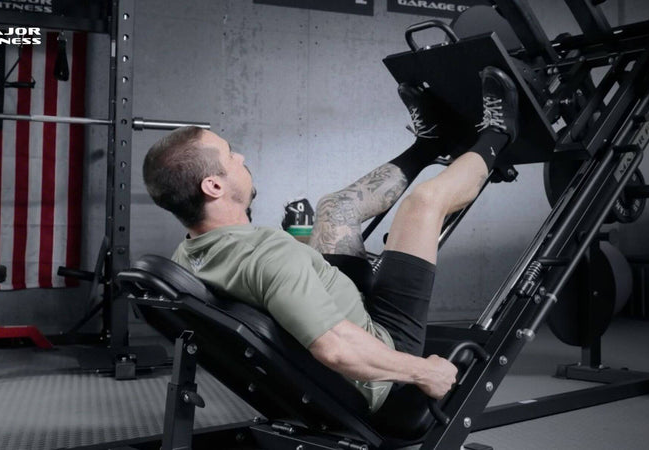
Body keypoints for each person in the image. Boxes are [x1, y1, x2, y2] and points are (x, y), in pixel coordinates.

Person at [141, 67, 519, 412]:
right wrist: (424, 372)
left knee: (334, 209)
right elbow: (338, 350)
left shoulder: (188, 255)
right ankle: (498, 136)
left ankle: (430, 143)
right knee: (422, 205)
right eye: (229, 155)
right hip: (381, 344)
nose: (239, 156)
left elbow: (277, 281)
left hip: (338, 303)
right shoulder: (269, 259)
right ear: (214, 185)